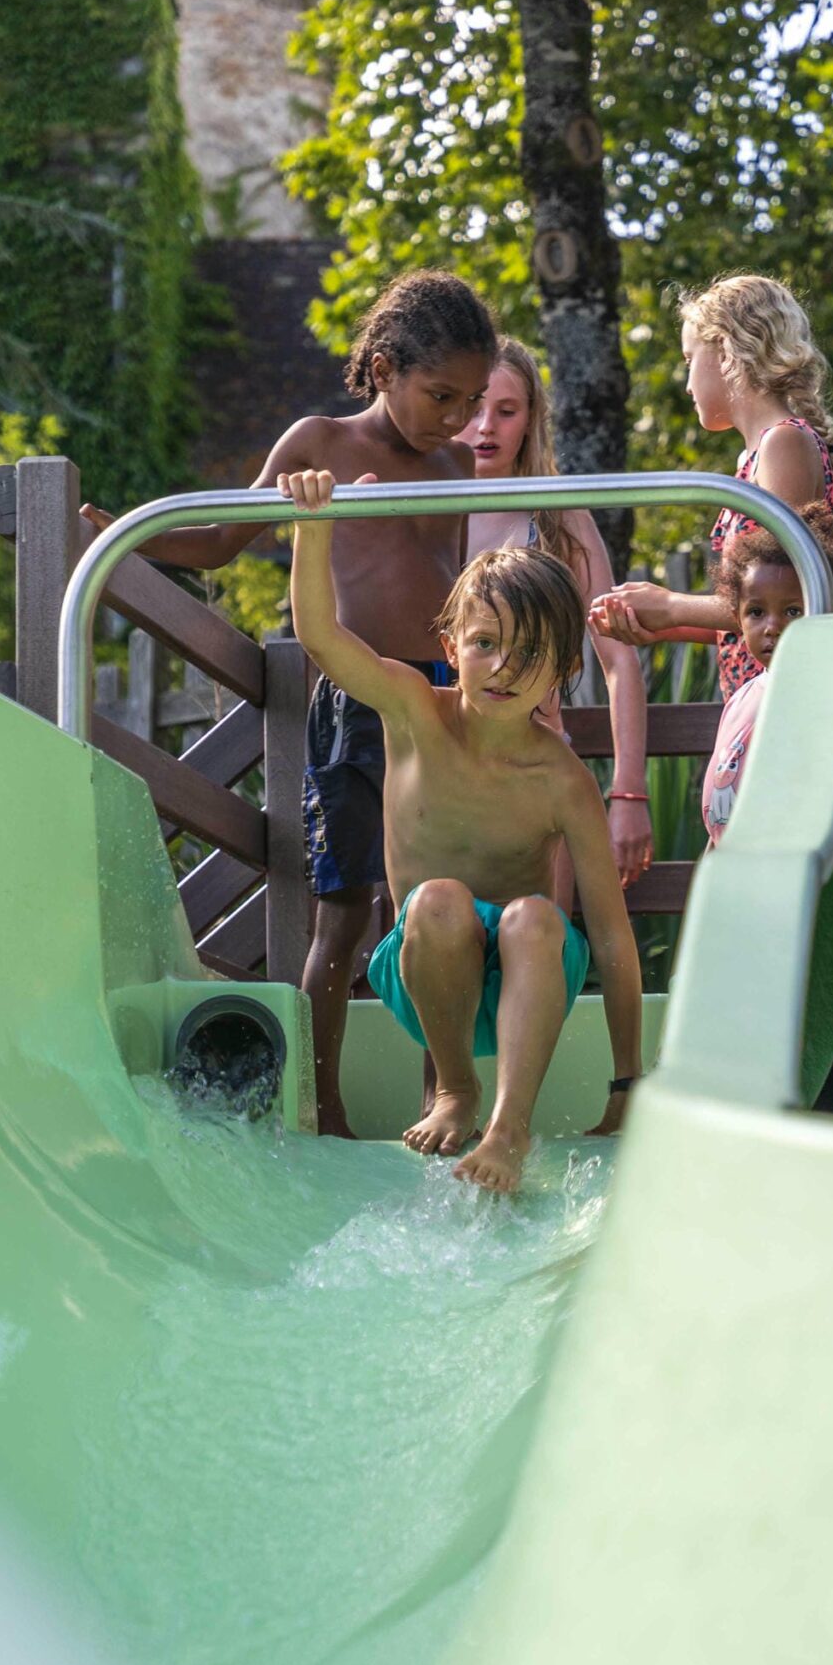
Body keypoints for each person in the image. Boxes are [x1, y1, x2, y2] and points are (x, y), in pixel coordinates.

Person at [83, 270, 497, 1137]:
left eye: (470, 400)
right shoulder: (321, 441)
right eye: (441, 396)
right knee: (342, 911)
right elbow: (222, 541)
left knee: (435, 906)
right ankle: (321, 1108)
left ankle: (441, 1100)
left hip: (439, 703)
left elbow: (460, 589)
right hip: (353, 698)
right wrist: (123, 535)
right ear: (382, 368)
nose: (458, 419)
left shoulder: (458, 466)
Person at [280, 464, 644, 1196]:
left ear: (564, 672)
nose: (504, 667)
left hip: (526, 980)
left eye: (531, 654)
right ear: (450, 647)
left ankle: (510, 1126)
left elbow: (607, 936)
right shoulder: (414, 713)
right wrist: (313, 527)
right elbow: (320, 637)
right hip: (424, 974)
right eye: (485, 643)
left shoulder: (561, 779)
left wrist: (626, 1081)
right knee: (441, 901)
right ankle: (455, 1088)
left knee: (538, 916)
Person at [589, 274, 833, 699]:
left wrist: (671, 604)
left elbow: (787, 600)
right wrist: (664, 625)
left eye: (690, 359)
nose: (688, 382)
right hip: (753, 695)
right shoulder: (753, 458)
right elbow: (752, 618)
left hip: (786, 695)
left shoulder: (784, 442)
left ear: (727, 349)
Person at [462, 338, 654, 890]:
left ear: (531, 419)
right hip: (439, 766)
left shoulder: (558, 512)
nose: (485, 428)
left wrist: (629, 793)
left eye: (505, 411)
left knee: (542, 945)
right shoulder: (413, 509)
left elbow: (618, 662)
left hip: (539, 768)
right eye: (474, 408)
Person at [701, 509, 833, 843]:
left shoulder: (822, 696)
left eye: (793, 612)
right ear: (736, 617)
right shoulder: (744, 696)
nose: (772, 627)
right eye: (756, 612)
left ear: (832, 613)